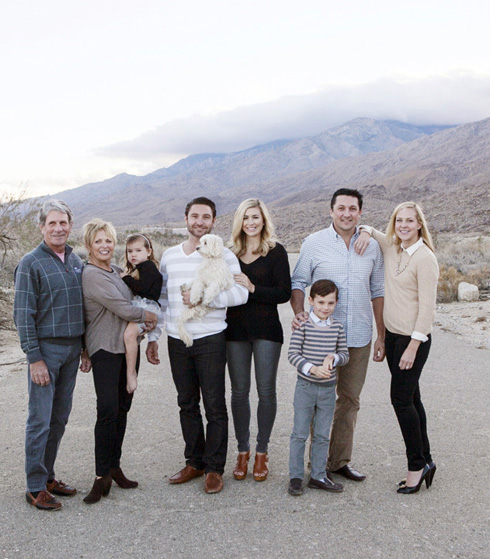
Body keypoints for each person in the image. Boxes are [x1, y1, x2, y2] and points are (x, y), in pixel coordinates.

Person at [145, 197, 249, 494]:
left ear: (213, 221)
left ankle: (214, 468)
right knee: (186, 403)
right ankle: (195, 461)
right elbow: (163, 299)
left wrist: (206, 299)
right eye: (195, 216)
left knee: (214, 405)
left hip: (211, 338)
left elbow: (241, 294)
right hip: (178, 341)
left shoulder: (223, 255)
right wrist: (155, 337)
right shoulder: (170, 256)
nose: (200, 222)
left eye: (206, 217)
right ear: (186, 219)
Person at [290, 188, 384, 483]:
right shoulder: (314, 243)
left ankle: (337, 462)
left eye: (352, 208)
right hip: (320, 337)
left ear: (360, 213)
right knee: (319, 399)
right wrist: (298, 313)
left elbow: (378, 290)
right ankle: (315, 465)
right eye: (341, 208)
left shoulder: (372, 247)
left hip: (357, 337)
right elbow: (299, 282)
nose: (346, 213)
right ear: (331, 211)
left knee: (349, 401)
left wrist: (381, 335)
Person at [355, 201, 439, 494]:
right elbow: (371, 230)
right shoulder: (393, 247)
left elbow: (428, 309)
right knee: (412, 399)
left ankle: (416, 465)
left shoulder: (425, 258)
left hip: (412, 340)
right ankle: (426, 459)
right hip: (392, 337)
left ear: (419, 225)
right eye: (399, 220)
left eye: (409, 221)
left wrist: (413, 346)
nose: (403, 225)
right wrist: (365, 230)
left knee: (401, 401)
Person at [14, 200, 90, 511]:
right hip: (46, 351)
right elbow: (23, 314)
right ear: (43, 227)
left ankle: (48, 477)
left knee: (59, 418)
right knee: (40, 420)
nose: (58, 228)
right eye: (52, 223)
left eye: (63, 223)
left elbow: (83, 307)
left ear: (71, 226)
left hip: (73, 351)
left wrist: (84, 347)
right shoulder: (31, 263)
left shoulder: (75, 260)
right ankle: (34, 487)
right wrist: (35, 358)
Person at [81, 219, 158, 504]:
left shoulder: (115, 271)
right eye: (98, 241)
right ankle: (101, 476)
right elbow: (125, 308)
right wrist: (152, 317)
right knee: (108, 411)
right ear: (89, 245)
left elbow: (140, 297)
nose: (104, 246)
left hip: (127, 349)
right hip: (104, 349)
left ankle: (115, 467)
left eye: (109, 240)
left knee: (123, 408)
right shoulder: (91, 275)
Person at [225, 199, 291, 482]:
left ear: (264, 221)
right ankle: (242, 451)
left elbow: (284, 293)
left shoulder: (276, 252)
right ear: (239, 222)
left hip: (267, 331)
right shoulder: (229, 254)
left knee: (266, 391)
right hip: (234, 331)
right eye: (246, 218)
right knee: (239, 392)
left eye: (256, 217)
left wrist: (253, 288)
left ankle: (262, 452)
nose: (251, 222)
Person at [287, 280, 350, 496]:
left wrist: (334, 357)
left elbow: (345, 355)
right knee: (300, 433)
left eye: (330, 303)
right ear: (311, 301)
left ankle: (318, 475)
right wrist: (312, 368)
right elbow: (293, 354)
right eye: (321, 302)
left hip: (327, 390)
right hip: (306, 387)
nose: (325, 307)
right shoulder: (302, 325)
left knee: (323, 434)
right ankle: (295, 477)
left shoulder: (337, 327)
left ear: (336, 303)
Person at [120, 233, 162, 394]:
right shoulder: (140, 268)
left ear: (149, 252)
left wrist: (125, 278)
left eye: (138, 250)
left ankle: (131, 373)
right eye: (130, 251)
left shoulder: (149, 267)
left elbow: (143, 288)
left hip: (149, 306)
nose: (133, 255)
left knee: (129, 335)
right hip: (143, 305)